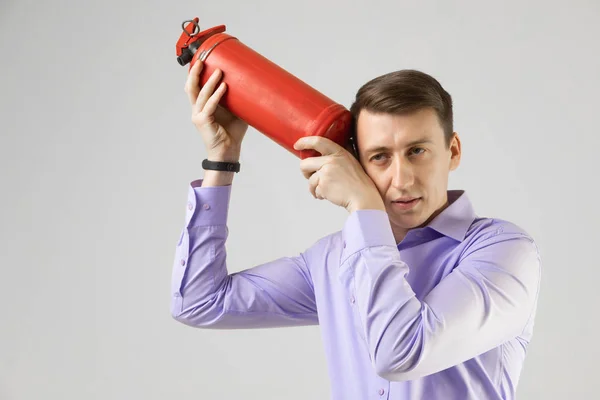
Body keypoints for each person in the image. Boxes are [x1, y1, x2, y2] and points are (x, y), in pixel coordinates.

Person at [170, 60, 542, 400]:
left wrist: (365, 208)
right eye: (379, 157)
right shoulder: (334, 258)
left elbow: (401, 353)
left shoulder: (505, 252)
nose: (401, 179)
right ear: (357, 164)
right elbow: (199, 302)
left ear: (453, 151)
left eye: (417, 151)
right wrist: (221, 159)